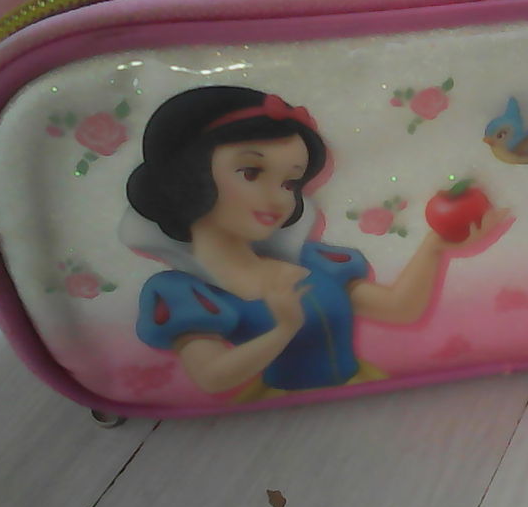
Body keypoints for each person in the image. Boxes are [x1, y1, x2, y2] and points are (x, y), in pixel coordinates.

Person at [124, 86, 504, 401]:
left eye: (290, 182)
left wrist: (436, 245)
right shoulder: (184, 293)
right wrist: (283, 329)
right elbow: (211, 377)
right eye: (251, 172)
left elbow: (399, 310)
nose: (278, 198)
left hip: (364, 391)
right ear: (186, 178)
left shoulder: (312, 262)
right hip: (275, 407)